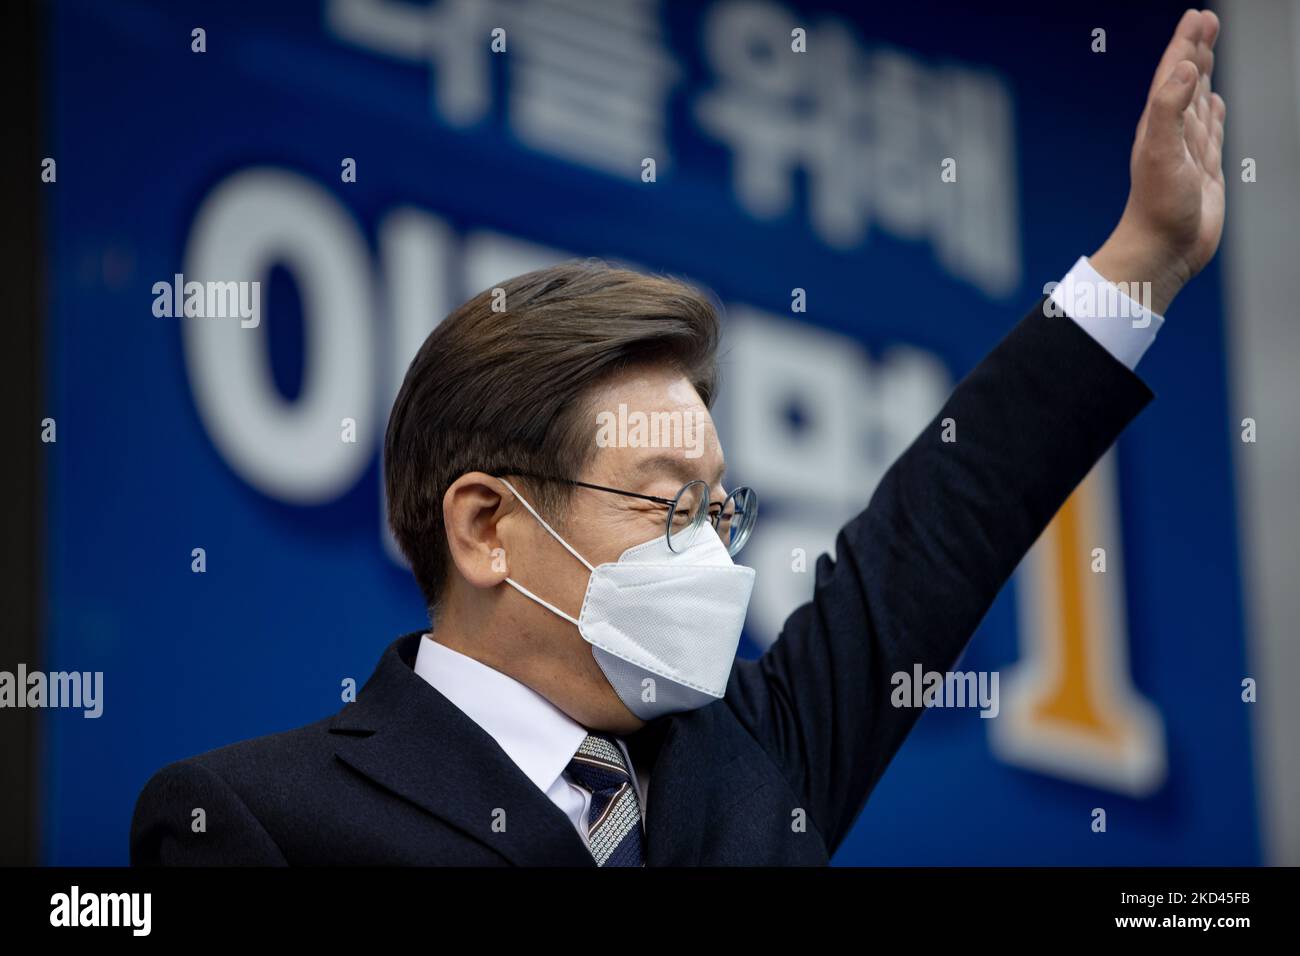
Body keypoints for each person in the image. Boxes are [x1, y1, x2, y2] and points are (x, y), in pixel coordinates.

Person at [131, 10, 1226, 865]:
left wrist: (1143, 258)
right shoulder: (255, 817)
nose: (710, 552)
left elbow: (940, 529)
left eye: (717, 507)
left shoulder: (756, 752)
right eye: (664, 502)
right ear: (484, 527)